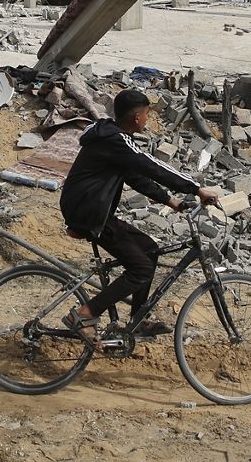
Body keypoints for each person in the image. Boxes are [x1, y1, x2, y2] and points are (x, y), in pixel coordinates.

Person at [58, 88, 218, 344]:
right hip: (90, 213)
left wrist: (171, 201)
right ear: (136, 118)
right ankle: (84, 314)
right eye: (146, 115)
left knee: (150, 250)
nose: (147, 120)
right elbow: (151, 165)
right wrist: (195, 188)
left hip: (90, 209)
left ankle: (137, 319)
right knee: (141, 268)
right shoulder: (117, 140)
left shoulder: (111, 138)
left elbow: (135, 176)